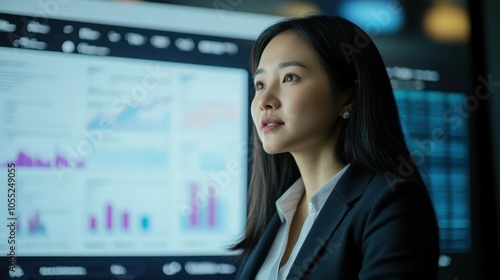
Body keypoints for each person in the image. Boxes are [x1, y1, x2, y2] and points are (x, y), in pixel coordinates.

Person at [231, 14, 440, 280]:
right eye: (260, 84)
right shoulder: (280, 211)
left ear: (348, 97)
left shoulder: (392, 202)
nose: (265, 101)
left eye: (290, 77)